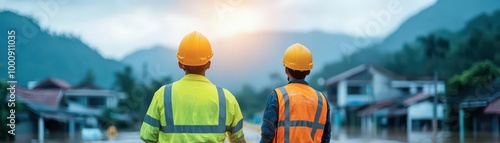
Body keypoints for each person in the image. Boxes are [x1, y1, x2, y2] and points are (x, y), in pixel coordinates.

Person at [140, 31, 246, 143]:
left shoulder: (163, 95)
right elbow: (238, 140)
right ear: (208, 64)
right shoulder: (226, 98)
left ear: (180, 64)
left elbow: (147, 136)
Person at [260, 43, 331, 143]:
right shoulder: (322, 99)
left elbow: (267, 135)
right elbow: (326, 137)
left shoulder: (277, 96)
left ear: (286, 69)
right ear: (309, 71)